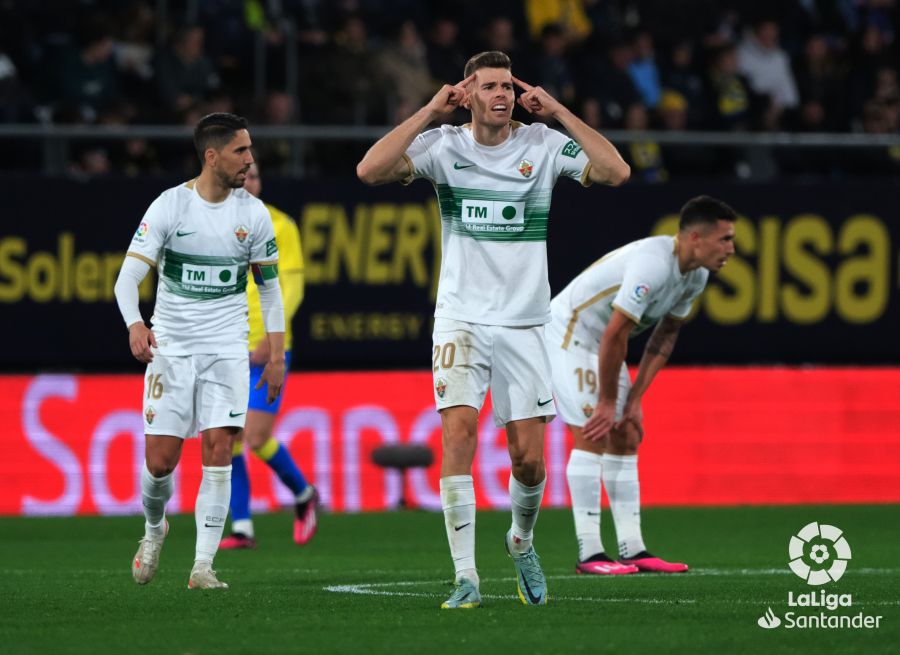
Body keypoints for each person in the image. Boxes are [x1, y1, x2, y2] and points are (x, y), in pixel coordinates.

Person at [356, 50, 629, 608]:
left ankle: (521, 540)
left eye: (508, 85)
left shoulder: (543, 146)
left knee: (528, 458)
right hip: (460, 319)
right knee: (457, 435)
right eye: (489, 87)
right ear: (468, 92)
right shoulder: (444, 146)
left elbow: (617, 172)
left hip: (526, 323)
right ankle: (466, 578)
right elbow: (369, 170)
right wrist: (430, 112)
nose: (501, 95)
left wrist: (559, 113)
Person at [114, 112, 285, 589]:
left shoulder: (253, 213)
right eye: (240, 151)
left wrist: (276, 353)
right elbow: (127, 278)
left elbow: (269, 291)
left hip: (228, 347)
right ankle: (154, 528)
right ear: (211, 156)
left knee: (220, 448)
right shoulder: (171, 207)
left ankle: (203, 566)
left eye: (250, 150)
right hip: (172, 348)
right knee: (160, 463)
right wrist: (135, 324)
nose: (250, 160)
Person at [546, 195, 736, 576]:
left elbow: (664, 338)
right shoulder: (654, 265)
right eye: (725, 239)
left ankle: (633, 549)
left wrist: (632, 400)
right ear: (695, 238)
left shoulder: (695, 276)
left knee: (627, 432)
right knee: (593, 430)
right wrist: (605, 402)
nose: (731, 249)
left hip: (602, 343)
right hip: (570, 333)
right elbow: (617, 331)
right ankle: (590, 553)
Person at [220, 162, 317, 550]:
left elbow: (291, 288)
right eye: (244, 173)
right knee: (228, 439)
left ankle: (303, 491)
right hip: (227, 343)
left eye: (256, 175)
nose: (249, 180)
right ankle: (242, 527)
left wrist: (272, 339)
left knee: (256, 436)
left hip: (267, 345)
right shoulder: (216, 224)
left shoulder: (280, 225)